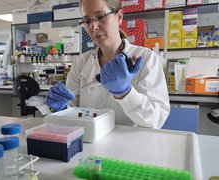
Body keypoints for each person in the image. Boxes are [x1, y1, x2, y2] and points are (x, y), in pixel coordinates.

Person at [45, 0, 170, 129]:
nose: (93, 27)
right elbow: (71, 110)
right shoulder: (81, 62)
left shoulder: (146, 58)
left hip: (131, 144)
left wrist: (125, 93)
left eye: (100, 17)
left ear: (119, 17)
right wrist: (60, 108)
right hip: (89, 143)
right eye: (87, 21)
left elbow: (157, 119)